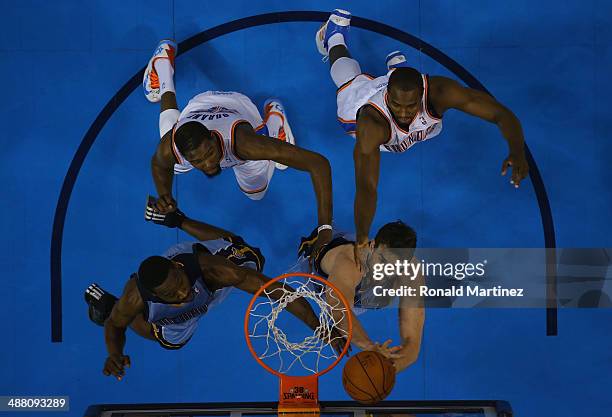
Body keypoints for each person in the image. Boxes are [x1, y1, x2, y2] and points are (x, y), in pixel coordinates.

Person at [315, 10, 529, 267]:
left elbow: (500, 113)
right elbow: (367, 186)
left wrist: (517, 150)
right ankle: (334, 39)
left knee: (431, 126)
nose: (404, 114)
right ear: (389, 99)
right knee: (348, 79)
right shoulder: (371, 125)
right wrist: (361, 238)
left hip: (416, 118)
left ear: (422, 94)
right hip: (363, 111)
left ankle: (397, 73)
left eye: (410, 106)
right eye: (398, 105)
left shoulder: (440, 91)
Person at [85, 198, 332, 380]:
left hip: (210, 284)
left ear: (177, 266)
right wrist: (115, 353)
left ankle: (177, 219)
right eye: (172, 294)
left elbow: (278, 291)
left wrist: (317, 324)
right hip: (173, 316)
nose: (182, 293)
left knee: (248, 255)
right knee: (159, 335)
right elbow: (115, 326)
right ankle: (109, 305)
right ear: (154, 296)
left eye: (181, 283)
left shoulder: (215, 271)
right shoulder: (136, 298)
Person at [144, 40, 333, 251]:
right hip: (200, 104)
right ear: (186, 155)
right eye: (197, 161)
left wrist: (325, 226)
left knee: (256, 192)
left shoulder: (245, 145)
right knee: (172, 159)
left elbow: (318, 163)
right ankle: (162, 65)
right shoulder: (171, 148)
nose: (208, 164)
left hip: (240, 108)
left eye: (210, 153)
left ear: (212, 138)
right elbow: (159, 164)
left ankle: (274, 121)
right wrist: (165, 195)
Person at [295, 220, 424, 373]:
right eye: (382, 261)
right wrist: (370, 347)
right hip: (316, 263)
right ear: (372, 246)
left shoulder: (411, 274)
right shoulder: (350, 263)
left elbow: (412, 346)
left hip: (355, 291)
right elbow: (338, 311)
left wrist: (388, 369)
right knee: (337, 299)